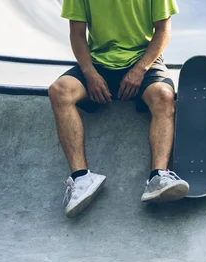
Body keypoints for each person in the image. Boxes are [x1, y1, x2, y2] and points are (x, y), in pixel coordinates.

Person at [48, 0, 189, 217]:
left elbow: (163, 30)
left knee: (164, 95)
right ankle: (81, 178)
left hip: (143, 61)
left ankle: (158, 176)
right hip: (97, 63)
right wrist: (90, 73)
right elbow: (77, 34)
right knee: (59, 91)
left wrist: (140, 69)